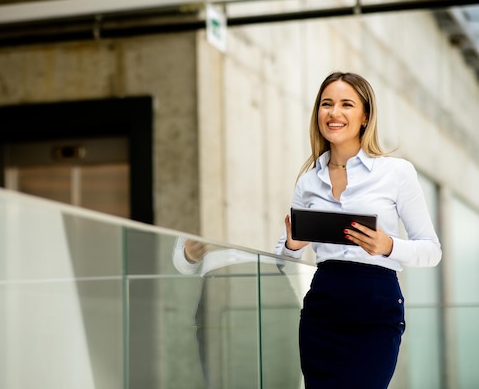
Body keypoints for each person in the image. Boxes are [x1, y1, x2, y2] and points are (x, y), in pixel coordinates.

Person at [274, 71, 442, 389]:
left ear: (365, 116)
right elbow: (281, 260)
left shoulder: (396, 172)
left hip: (376, 308)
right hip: (323, 307)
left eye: (346, 104)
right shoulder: (309, 181)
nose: (334, 113)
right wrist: (292, 246)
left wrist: (388, 245)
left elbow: (431, 249)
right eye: (327, 104)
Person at [173, 237, 302, 388]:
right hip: (217, 296)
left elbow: (292, 264)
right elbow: (181, 262)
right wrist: (189, 255)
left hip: (272, 291)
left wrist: (292, 249)